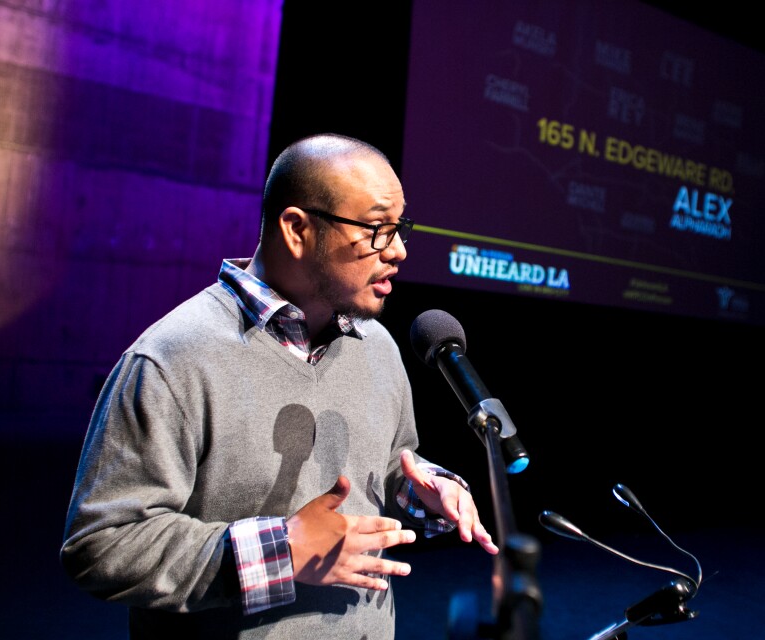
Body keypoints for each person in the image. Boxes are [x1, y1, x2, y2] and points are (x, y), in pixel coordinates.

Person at [60, 133, 500, 638]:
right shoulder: (171, 359)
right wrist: (280, 553)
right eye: (378, 229)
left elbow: (390, 460)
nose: (398, 250)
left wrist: (421, 488)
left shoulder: (377, 346)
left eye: (400, 228)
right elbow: (102, 545)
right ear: (297, 230)